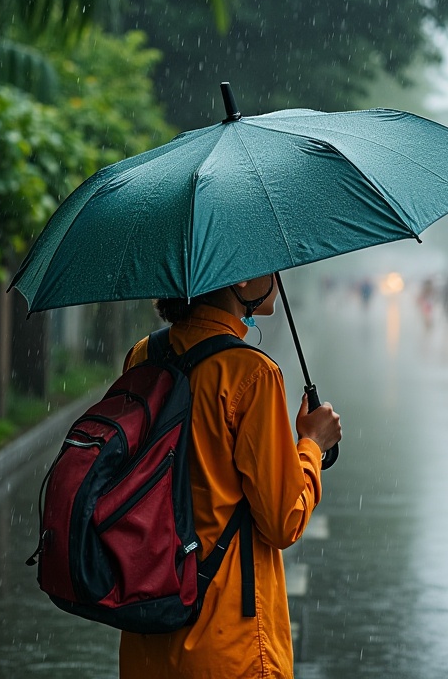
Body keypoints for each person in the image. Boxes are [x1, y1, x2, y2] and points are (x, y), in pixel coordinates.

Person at [118, 273, 342, 679]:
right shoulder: (251, 373)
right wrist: (311, 444)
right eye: (269, 269)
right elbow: (282, 520)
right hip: (229, 645)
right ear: (240, 283)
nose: (277, 277)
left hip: (148, 634)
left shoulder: (142, 356)